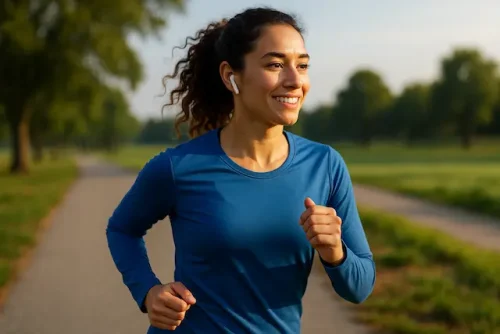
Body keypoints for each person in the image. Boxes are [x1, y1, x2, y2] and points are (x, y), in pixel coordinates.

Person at [106, 6, 376, 334]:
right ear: (230, 75)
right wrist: (148, 292)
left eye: (302, 65)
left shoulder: (326, 165)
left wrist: (336, 251)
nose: (294, 80)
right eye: (275, 65)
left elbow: (359, 288)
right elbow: (122, 229)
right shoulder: (179, 167)